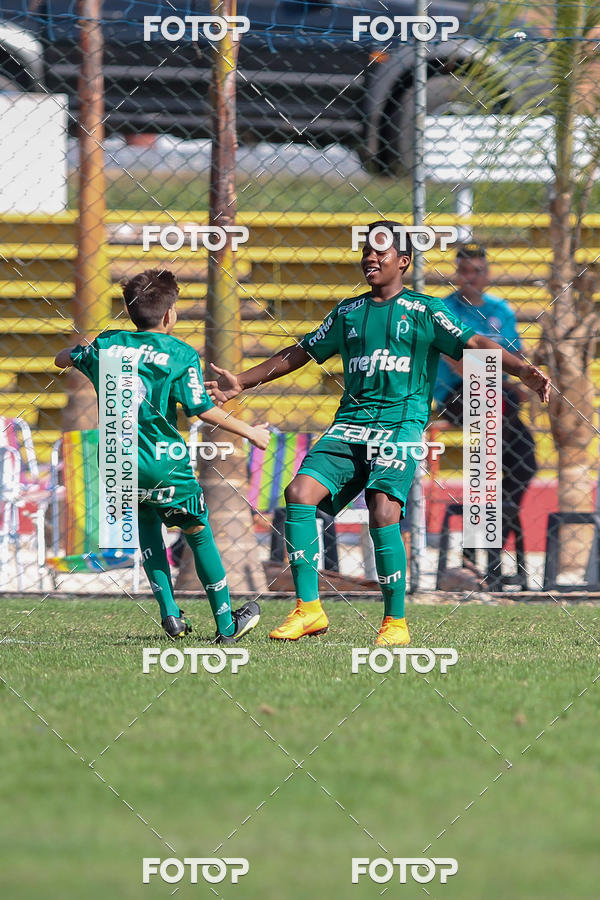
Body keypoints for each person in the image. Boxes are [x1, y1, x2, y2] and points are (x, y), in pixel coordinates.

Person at [207, 222, 551, 646]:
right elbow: (299, 352)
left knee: (383, 512)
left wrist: (523, 371)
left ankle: (395, 622)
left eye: (381, 252)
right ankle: (308, 609)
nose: (371, 258)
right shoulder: (347, 313)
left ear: (403, 261)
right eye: (367, 252)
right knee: (298, 493)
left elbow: (478, 342)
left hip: (400, 428)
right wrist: (242, 381)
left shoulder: (426, 312)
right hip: (349, 426)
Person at [54, 268, 270, 642]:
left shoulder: (108, 344)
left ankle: (170, 615)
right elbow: (201, 410)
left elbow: (62, 359)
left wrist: (83, 350)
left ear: (129, 310)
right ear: (170, 315)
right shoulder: (180, 353)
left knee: (148, 531)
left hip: (121, 463)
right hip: (164, 462)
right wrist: (251, 432)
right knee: (198, 532)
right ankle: (226, 624)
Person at [434, 243, 539, 584]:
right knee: (492, 442)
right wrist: (498, 374)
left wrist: (511, 379)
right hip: (458, 393)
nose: (470, 278)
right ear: (456, 273)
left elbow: (515, 357)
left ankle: (498, 524)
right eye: (464, 271)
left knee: (524, 458)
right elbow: (458, 364)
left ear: (486, 274)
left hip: (496, 394)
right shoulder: (445, 309)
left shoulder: (500, 310)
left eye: (477, 271)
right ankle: (486, 549)